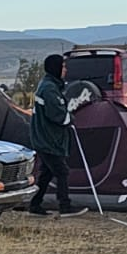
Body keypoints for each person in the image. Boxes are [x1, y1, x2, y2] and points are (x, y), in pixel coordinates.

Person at [27, 54, 88, 217]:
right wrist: (70, 118)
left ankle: (35, 204)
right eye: (63, 66)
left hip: (45, 138)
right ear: (56, 68)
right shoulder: (49, 89)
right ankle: (65, 206)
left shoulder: (49, 85)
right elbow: (57, 115)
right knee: (61, 171)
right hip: (48, 139)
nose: (65, 70)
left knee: (46, 173)